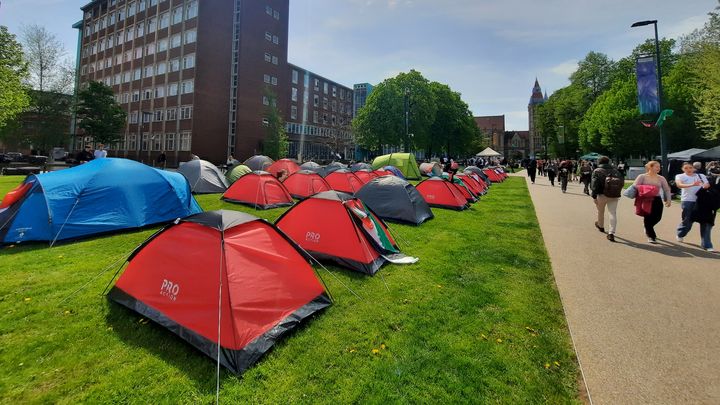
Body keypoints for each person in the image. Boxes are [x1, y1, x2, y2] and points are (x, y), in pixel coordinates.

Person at [675, 162, 712, 250]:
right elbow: (679, 185)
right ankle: (680, 233)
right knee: (688, 220)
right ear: (682, 169)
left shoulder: (701, 176)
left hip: (701, 201)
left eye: (690, 167)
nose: (689, 169)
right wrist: (692, 184)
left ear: (694, 168)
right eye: (686, 168)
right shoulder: (680, 176)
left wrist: (706, 186)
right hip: (687, 201)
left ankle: (707, 244)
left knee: (705, 221)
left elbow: (707, 185)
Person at [632, 161, 672, 244]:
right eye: (656, 167)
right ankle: (651, 236)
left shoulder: (661, 178)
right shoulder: (642, 176)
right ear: (650, 167)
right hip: (645, 199)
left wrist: (669, 199)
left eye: (659, 167)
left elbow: (667, 189)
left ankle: (647, 227)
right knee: (648, 218)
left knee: (657, 217)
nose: (659, 168)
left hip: (657, 199)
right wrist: (647, 188)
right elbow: (635, 185)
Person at [590, 156, 623, 242]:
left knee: (601, 211)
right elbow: (621, 182)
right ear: (608, 162)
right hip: (614, 195)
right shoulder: (615, 171)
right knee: (612, 213)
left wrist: (594, 195)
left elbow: (594, 185)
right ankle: (611, 233)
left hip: (602, 195)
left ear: (599, 162)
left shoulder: (597, 171)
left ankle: (601, 226)